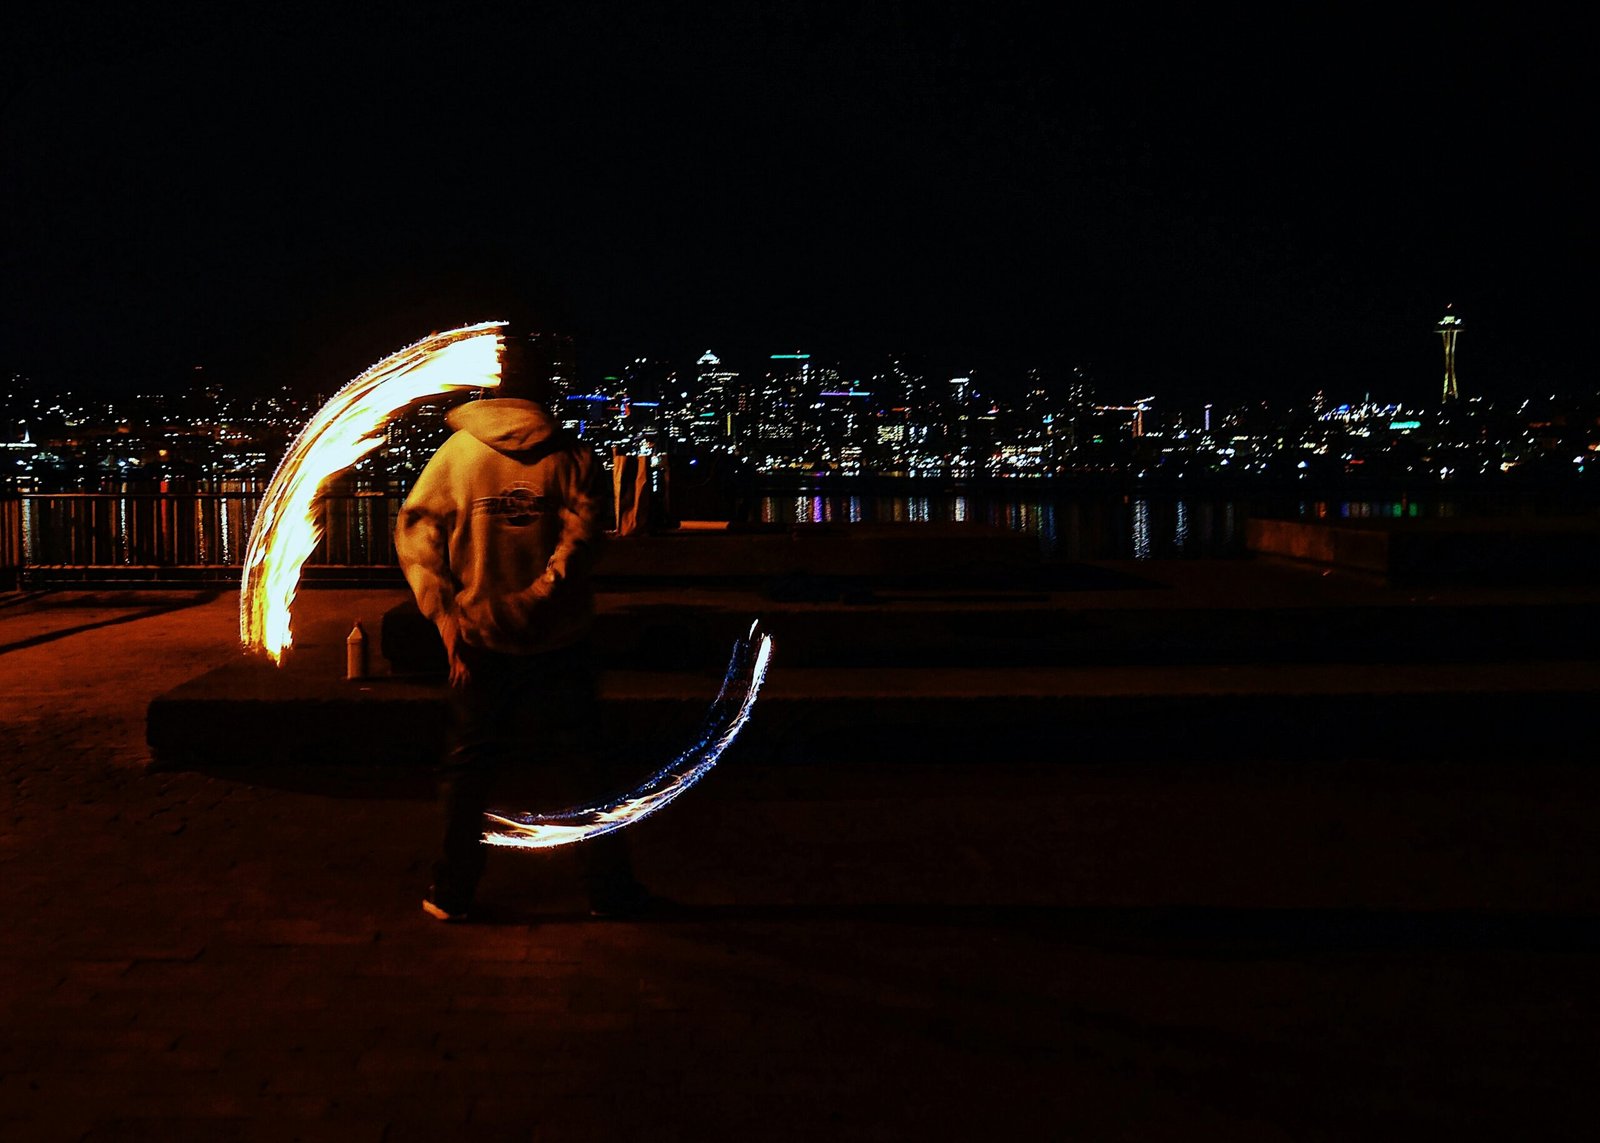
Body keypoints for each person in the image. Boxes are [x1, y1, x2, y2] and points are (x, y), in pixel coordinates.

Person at [394, 329, 646, 922]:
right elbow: (580, 548)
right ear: (543, 393)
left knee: (468, 769)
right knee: (585, 769)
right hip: (561, 641)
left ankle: (452, 891)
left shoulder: (456, 457)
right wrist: (536, 599)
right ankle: (607, 891)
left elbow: (415, 534)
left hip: (478, 643)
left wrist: (447, 615)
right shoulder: (572, 457)